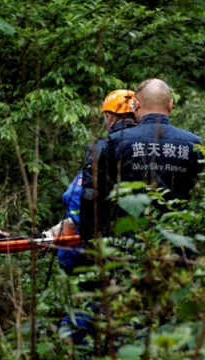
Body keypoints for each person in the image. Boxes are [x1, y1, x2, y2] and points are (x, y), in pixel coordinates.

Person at [57, 90, 137, 346]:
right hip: (130, 246)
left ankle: (73, 345)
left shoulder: (102, 150)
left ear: (111, 117)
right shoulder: (142, 150)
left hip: (91, 245)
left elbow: (76, 197)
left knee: (89, 303)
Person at [92, 79, 203, 238]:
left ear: (135, 105)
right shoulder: (193, 144)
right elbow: (193, 185)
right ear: (170, 106)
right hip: (176, 242)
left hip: (126, 245)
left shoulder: (117, 142)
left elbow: (101, 194)